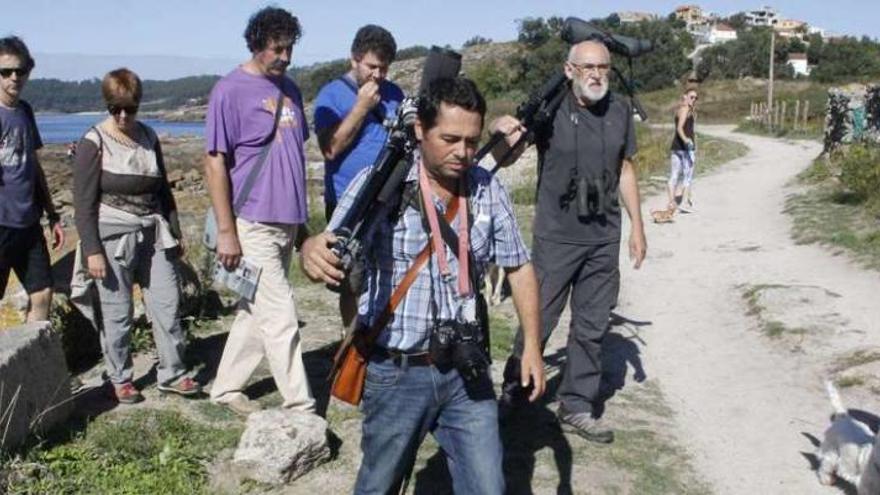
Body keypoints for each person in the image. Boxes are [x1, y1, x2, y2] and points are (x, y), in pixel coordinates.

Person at [301, 77, 546, 494]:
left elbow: (519, 267)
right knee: (379, 485)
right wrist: (310, 250)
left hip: (466, 370)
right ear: (420, 130)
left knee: (488, 486)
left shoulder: (487, 189)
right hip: (396, 373)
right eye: (449, 139)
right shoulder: (380, 185)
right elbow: (327, 251)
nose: (463, 153)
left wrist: (533, 348)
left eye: (471, 141)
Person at [491, 40, 647, 444]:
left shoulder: (618, 111)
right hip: (557, 237)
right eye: (588, 67)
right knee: (537, 317)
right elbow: (508, 157)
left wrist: (638, 227)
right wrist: (500, 133)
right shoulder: (551, 110)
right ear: (569, 70)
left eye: (604, 68)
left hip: (603, 237)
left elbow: (625, 168)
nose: (597, 75)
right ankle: (515, 392)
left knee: (592, 325)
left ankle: (576, 405)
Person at [204, 7, 315, 416]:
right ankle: (300, 404)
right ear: (256, 45)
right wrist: (226, 231)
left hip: (287, 220)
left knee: (256, 310)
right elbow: (215, 162)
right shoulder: (229, 91)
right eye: (277, 49)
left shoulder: (291, 89)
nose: (284, 57)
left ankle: (225, 388)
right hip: (251, 220)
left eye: (289, 49)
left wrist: (302, 227)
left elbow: (292, 156)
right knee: (282, 312)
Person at [71, 68, 200, 404]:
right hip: (112, 236)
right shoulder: (93, 142)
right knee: (117, 310)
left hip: (153, 231)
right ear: (108, 105)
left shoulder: (149, 137)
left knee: (167, 302)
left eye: (130, 108)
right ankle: (120, 377)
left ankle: (173, 372)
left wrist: (175, 229)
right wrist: (92, 251)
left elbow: (163, 190)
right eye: (116, 109)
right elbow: (83, 204)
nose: (124, 116)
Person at [314, 24, 404, 338]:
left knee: (388, 272)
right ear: (354, 60)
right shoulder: (332, 95)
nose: (378, 75)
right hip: (347, 203)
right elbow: (330, 148)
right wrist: (362, 107)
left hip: (389, 200)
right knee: (352, 281)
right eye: (371, 67)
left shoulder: (394, 93)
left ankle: (381, 338)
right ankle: (352, 345)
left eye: (384, 68)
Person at [0, 36, 64, 321]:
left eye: (20, 70)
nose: (14, 77)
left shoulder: (25, 111)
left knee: (42, 294)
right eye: (5, 72)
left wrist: (52, 214)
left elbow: (33, 165)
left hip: (28, 223)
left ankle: (31, 362)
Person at [668, 87, 698, 212]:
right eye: (691, 97)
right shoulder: (685, 109)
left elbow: (690, 129)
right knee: (687, 175)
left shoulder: (681, 109)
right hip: (685, 148)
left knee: (674, 175)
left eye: (696, 98)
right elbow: (680, 128)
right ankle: (684, 203)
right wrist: (687, 140)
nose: (694, 100)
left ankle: (671, 202)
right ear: (684, 96)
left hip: (676, 147)